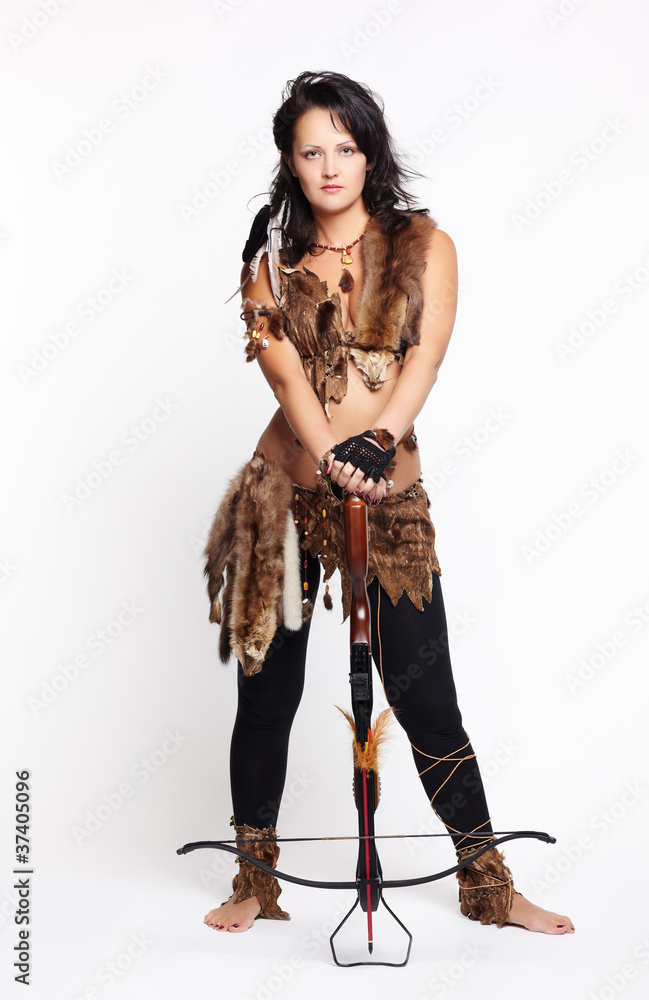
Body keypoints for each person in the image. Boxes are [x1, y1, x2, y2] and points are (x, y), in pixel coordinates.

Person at [202, 71, 574, 936]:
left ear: (369, 153)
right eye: (311, 152)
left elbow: (426, 355)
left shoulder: (423, 246)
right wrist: (334, 457)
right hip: (286, 495)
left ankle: (487, 884)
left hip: (389, 496)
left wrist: (379, 438)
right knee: (267, 693)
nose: (330, 166)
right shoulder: (267, 265)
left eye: (345, 147)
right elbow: (286, 379)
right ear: (289, 163)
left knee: (427, 695)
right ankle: (254, 881)